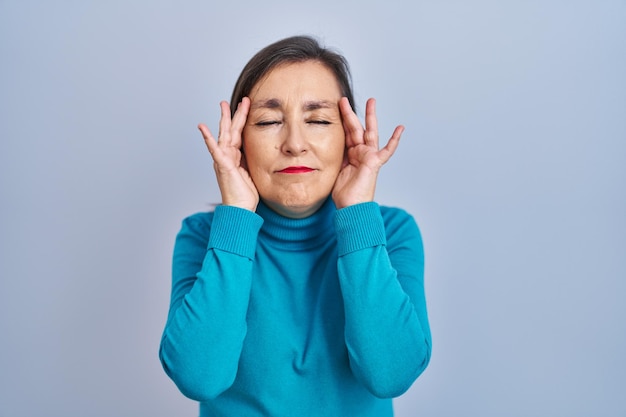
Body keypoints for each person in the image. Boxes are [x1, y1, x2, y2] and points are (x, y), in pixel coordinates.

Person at [159, 35, 431, 417]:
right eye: (269, 121)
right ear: (238, 140)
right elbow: (198, 377)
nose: (295, 144)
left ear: (347, 136)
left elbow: (390, 375)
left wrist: (356, 212)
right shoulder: (203, 236)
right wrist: (237, 213)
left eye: (318, 120)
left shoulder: (393, 230)